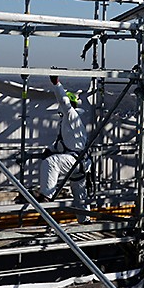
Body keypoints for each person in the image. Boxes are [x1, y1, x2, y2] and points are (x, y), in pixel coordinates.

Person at [39, 76, 89, 219]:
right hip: (78, 162)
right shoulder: (66, 124)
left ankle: (46, 198)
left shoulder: (72, 116)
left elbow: (64, 101)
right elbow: (62, 144)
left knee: (51, 163)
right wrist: (51, 149)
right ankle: (85, 221)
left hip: (75, 161)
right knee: (80, 196)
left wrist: (56, 84)